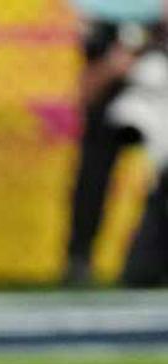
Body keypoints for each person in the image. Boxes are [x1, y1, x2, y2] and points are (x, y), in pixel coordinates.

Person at [65, 7, 167, 286]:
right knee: (95, 161)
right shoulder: (107, 28)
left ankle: (148, 259)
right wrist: (115, 63)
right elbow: (86, 91)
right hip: (118, 104)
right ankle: (79, 258)